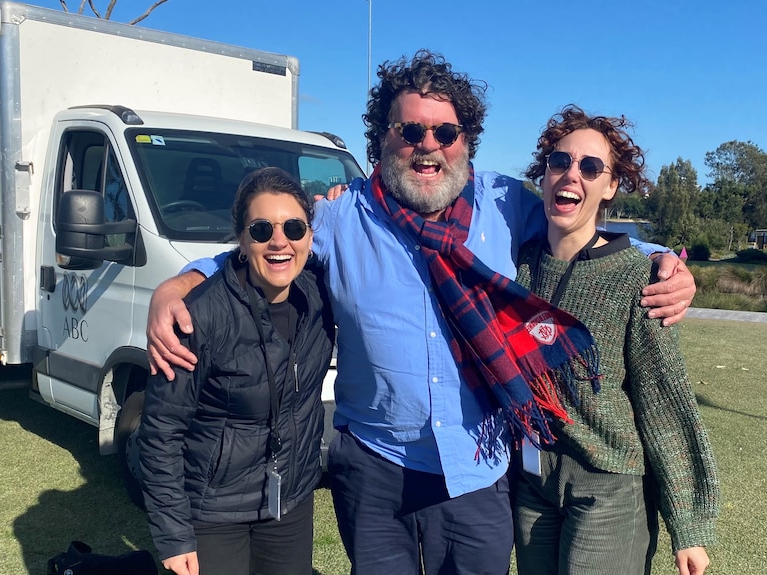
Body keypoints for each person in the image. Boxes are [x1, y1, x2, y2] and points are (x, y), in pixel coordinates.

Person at [146, 51, 697, 574]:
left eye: (445, 133)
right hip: (373, 465)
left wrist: (661, 259)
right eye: (410, 131)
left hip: (476, 468)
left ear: (466, 140)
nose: (427, 146)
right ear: (385, 138)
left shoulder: (507, 206)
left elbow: (578, 230)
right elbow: (270, 248)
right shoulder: (342, 218)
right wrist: (182, 281)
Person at [512, 105, 720, 575]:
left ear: (610, 187)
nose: (571, 175)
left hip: (607, 485)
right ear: (544, 175)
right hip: (533, 484)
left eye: (590, 167)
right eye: (560, 161)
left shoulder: (637, 278)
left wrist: (688, 526)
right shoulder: (519, 268)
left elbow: (663, 400)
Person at [137, 167, 335, 575]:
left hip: (289, 501)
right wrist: (174, 536)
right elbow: (160, 432)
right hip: (213, 510)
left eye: (294, 228)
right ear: (242, 241)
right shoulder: (198, 317)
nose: (279, 241)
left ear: (310, 238)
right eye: (261, 229)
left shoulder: (319, 297)